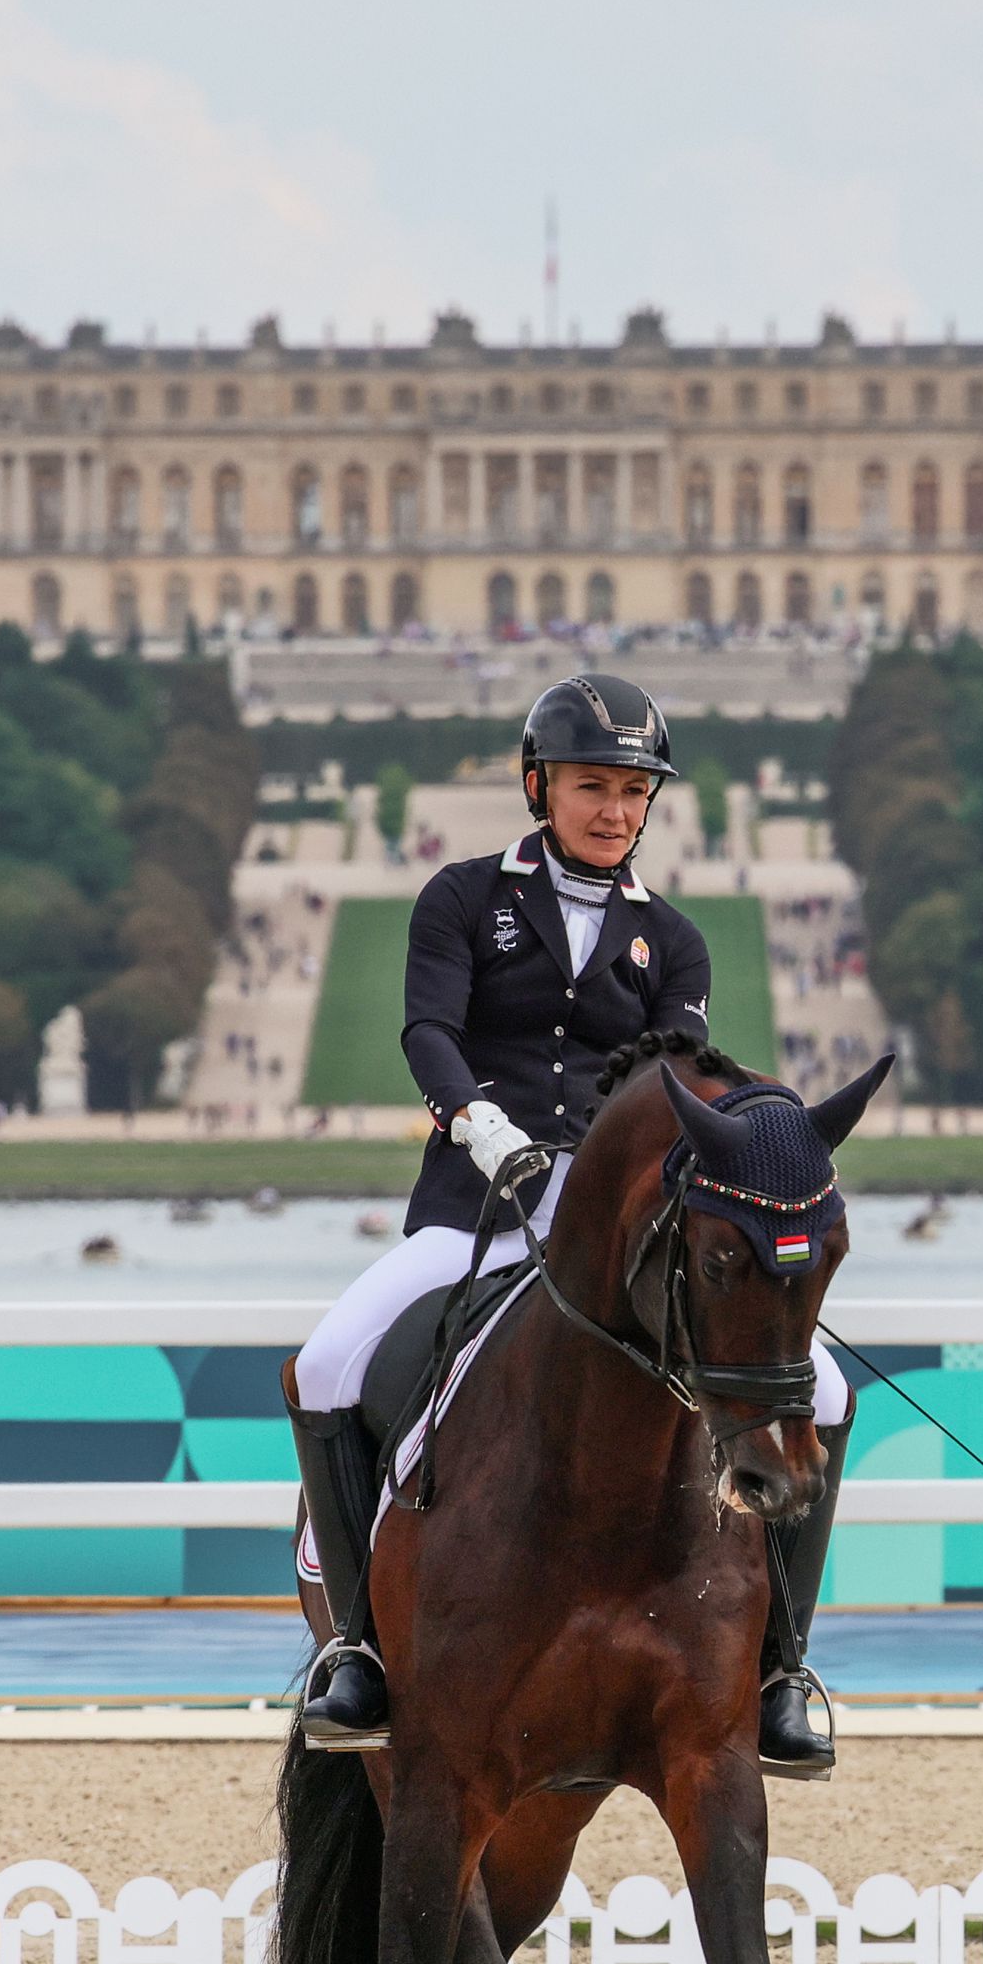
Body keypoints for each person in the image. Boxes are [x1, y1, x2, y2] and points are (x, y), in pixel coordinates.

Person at [284, 672, 855, 1775]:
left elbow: (673, 1074)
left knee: (824, 1389)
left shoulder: (672, 940)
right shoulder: (461, 899)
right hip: (479, 1207)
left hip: (608, 1228)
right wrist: (479, 1124)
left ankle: (783, 1667)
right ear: (540, 784)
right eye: (594, 787)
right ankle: (354, 1645)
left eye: (635, 793)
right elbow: (428, 1032)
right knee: (324, 1366)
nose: (615, 811)